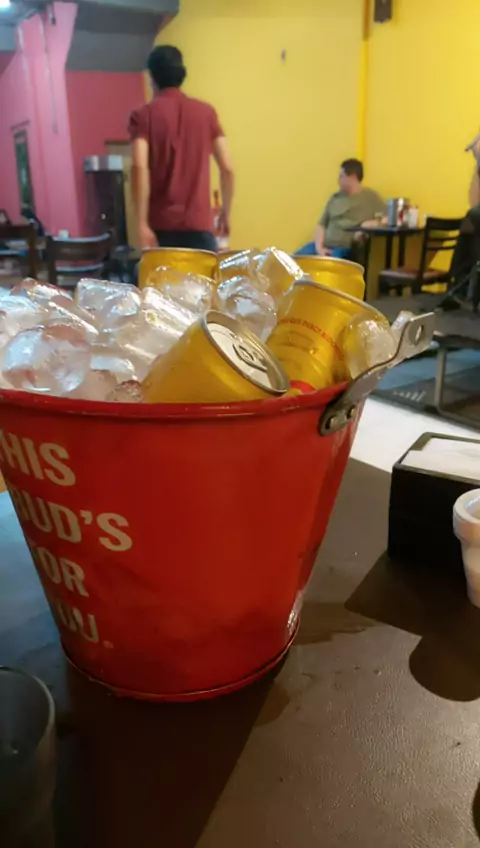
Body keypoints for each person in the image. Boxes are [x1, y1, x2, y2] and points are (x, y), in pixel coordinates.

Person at [129, 45, 235, 252]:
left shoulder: (143, 115)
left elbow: (139, 167)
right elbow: (228, 169)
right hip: (200, 229)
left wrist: (141, 223)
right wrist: (225, 213)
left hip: (160, 230)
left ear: (152, 77)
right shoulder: (206, 113)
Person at [297, 159, 386, 258]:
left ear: (352, 177)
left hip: (345, 248)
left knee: (334, 262)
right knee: (293, 260)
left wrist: (370, 224)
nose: (338, 180)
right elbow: (321, 225)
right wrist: (319, 248)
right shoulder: (335, 198)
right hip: (323, 246)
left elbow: (389, 219)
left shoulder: (370, 197)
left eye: (341, 176)